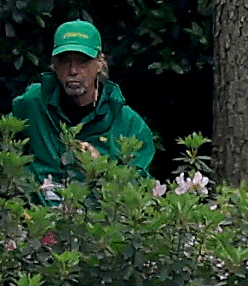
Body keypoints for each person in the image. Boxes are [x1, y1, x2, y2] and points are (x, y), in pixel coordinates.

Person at [11, 18, 153, 195]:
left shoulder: (128, 123)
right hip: (39, 217)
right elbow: (5, 149)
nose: (73, 71)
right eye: (64, 61)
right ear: (54, 65)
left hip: (99, 219)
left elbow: (140, 191)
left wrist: (102, 168)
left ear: (100, 64)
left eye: (82, 61)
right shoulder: (31, 104)